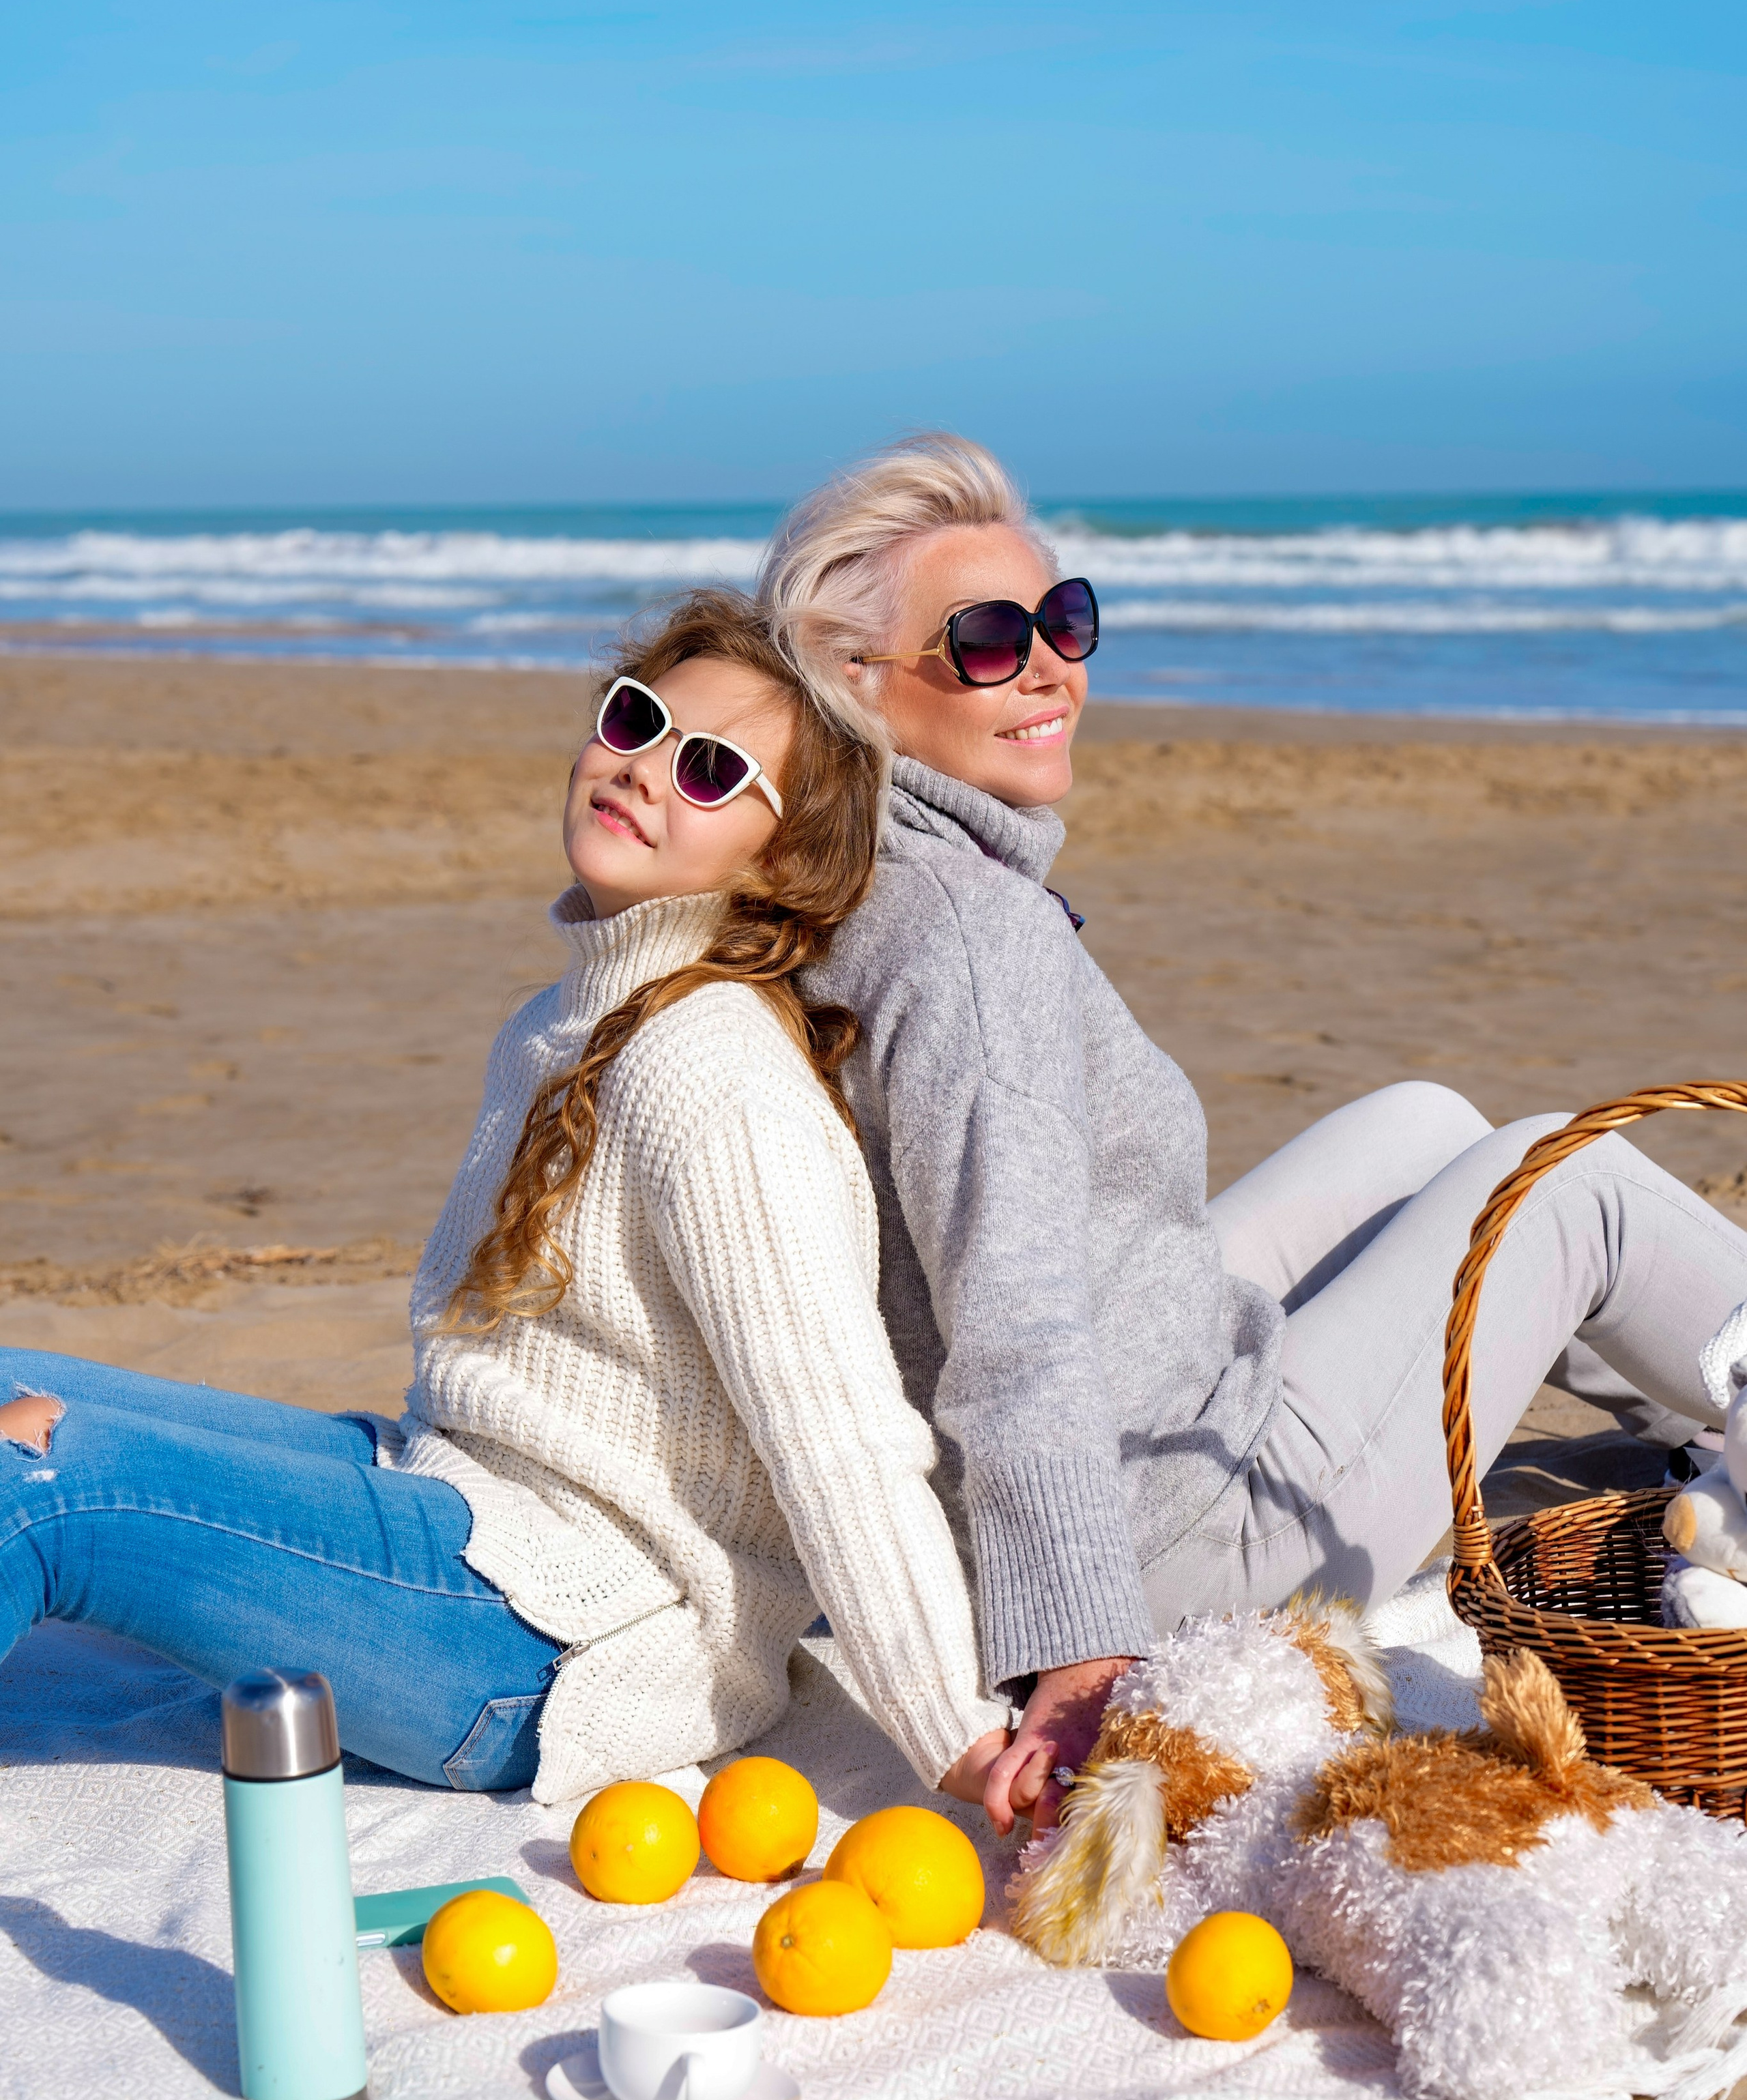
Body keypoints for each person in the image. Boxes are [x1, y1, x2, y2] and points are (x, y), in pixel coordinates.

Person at [763, 433, 1747, 1834]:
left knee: (1427, 1123)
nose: (1047, 666)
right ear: (854, 683)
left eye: (1064, 619)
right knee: (1568, 1180)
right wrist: (1079, 1640)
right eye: (984, 641)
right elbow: (1013, 1327)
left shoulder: (873, 866)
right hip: (1186, 1540)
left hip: (1147, 1386)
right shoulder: (968, 945)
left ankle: (1700, 1447)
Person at [0, 591, 1010, 1805]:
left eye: (709, 770)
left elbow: (839, 1442)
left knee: (48, 1487)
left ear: (781, 859)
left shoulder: (720, 1076)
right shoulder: (554, 1022)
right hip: (451, 1497)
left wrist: (954, 1727)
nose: (644, 770)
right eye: (637, 722)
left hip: (551, 1640)